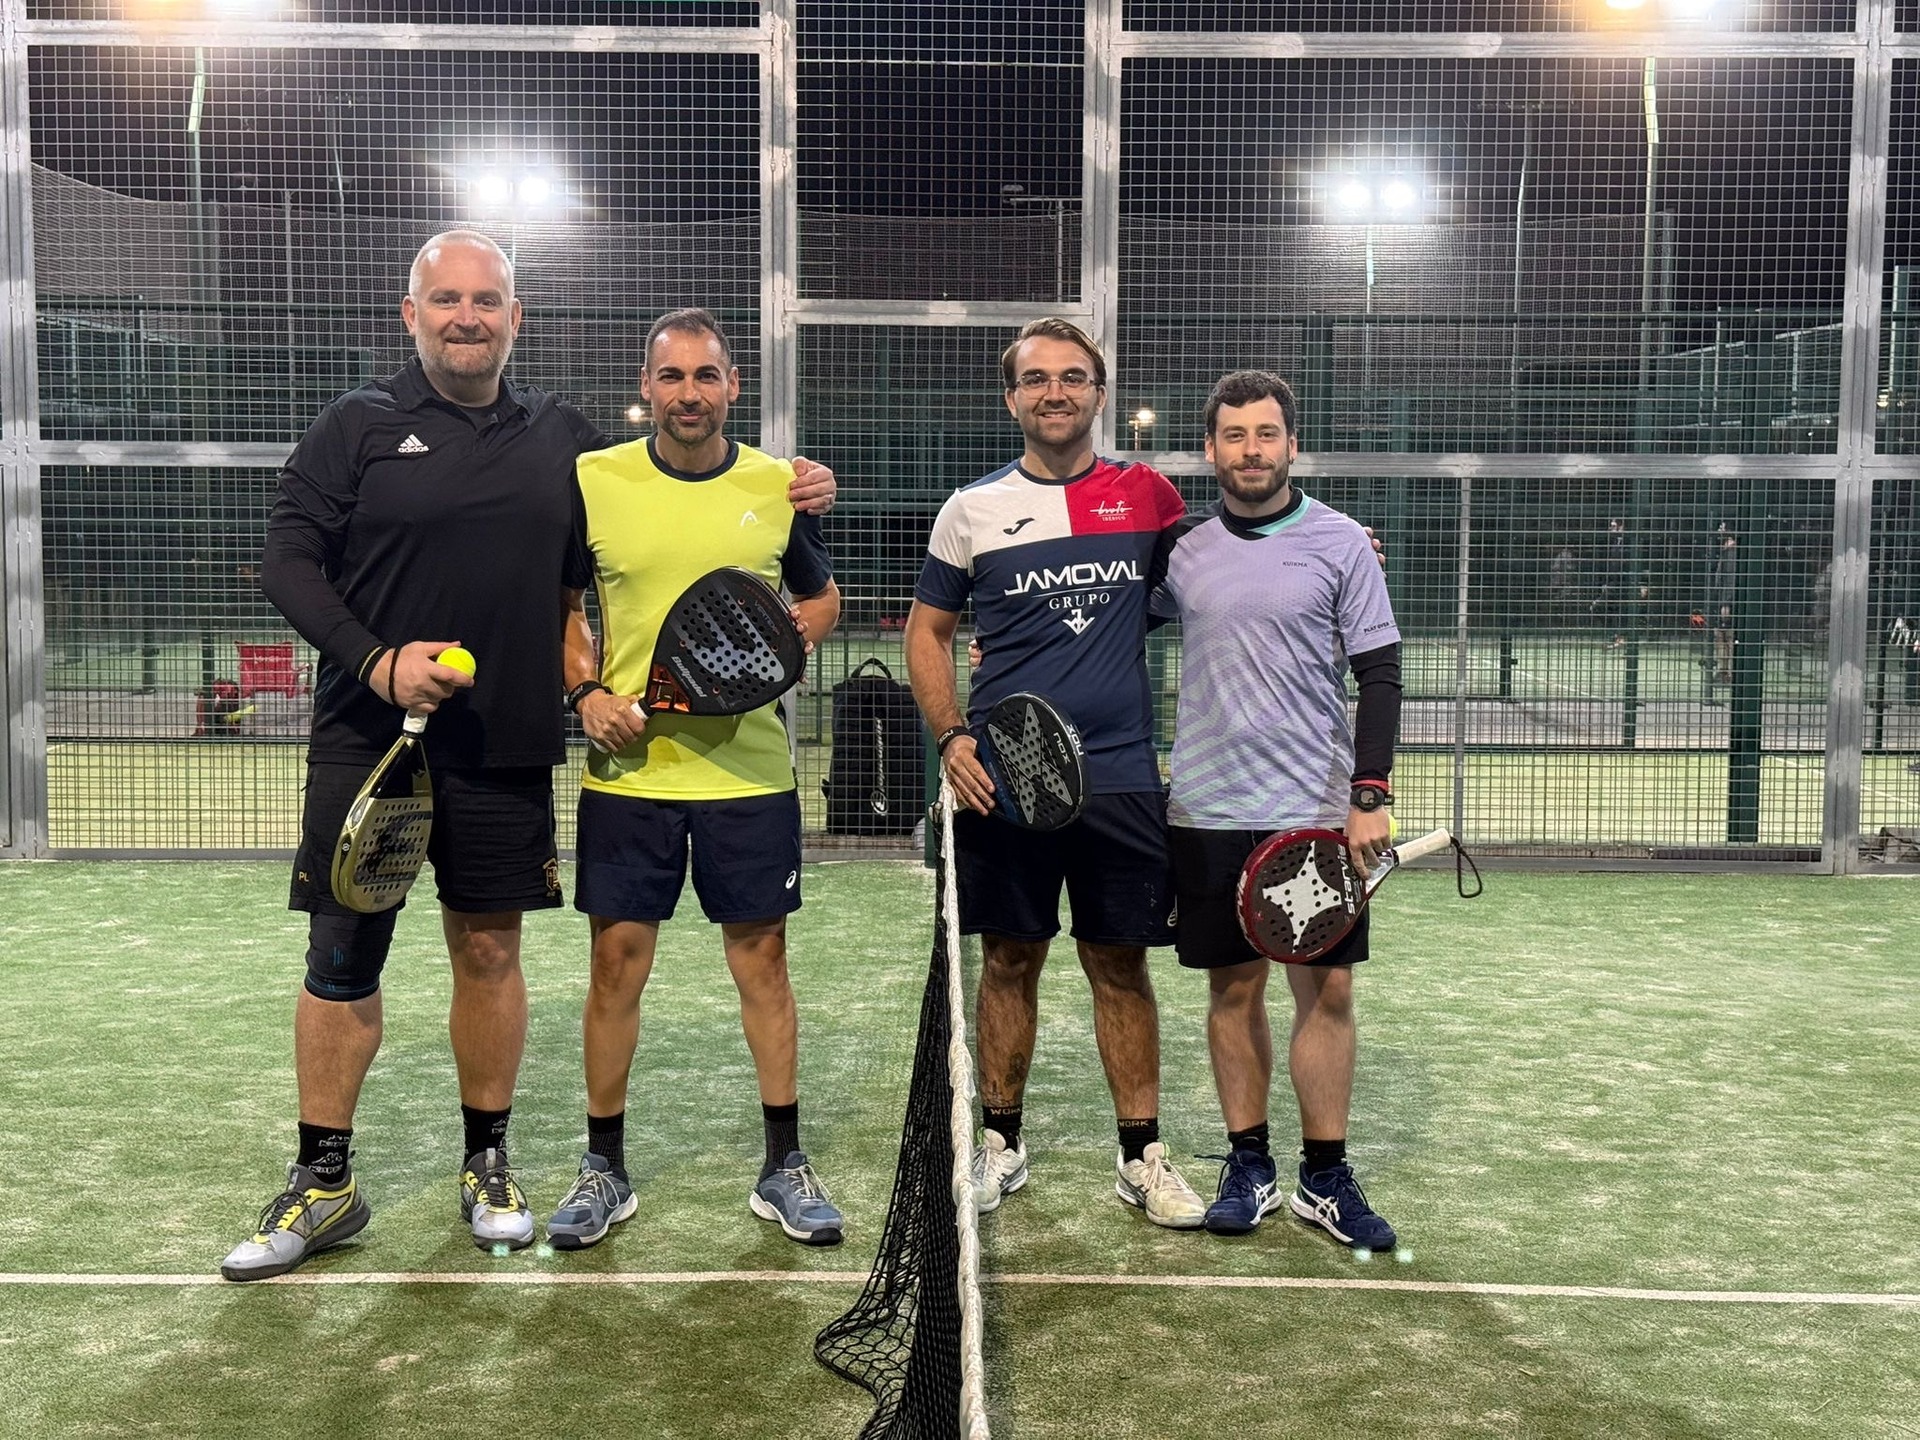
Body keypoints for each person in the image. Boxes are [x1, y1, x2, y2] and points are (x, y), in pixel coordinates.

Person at [222, 236, 834, 1282]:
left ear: (516, 318)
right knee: (342, 957)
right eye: (446, 299)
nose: (466, 316)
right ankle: (323, 1183)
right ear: (410, 312)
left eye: (486, 300)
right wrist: (379, 663)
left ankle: (488, 1166)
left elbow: (670, 484)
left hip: (503, 745)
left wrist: (797, 483)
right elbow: (285, 560)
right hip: (369, 739)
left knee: (490, 953)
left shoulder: (568, 443)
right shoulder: (355, 425)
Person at [548, 308, 846, 1250]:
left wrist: (766, 657)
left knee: (764, 963)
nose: (689, 393)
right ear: (646, 387)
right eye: (671, 376)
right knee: (614, 966)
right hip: (628, 777)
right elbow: (564, 607)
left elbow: (820, 599)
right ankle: (603, 1167)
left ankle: (784, 1165)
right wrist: (588, 692)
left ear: (732, 386)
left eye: (706, 376)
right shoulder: (595, 480)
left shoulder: (774, 485)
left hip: (750, 779)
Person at [903, 317, 1208, 1229]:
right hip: (1008, 777)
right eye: (1036, 379)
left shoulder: (1148, 496)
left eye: (1073, 377)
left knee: (1121, 963)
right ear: (1012, 399)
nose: (1055, 392)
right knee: (1009, 958)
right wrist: (953, 737)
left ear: (1099, 394)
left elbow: (1226, 568)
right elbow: (927, 633)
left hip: (1121, 777)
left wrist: (1328, 547)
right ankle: (1001, 1143)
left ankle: (1141, 1156)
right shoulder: (971, 509)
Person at [1158, 370, 1402, 1249]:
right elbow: (1101, 621)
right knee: (1232, 989)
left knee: (1328, 989)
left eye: (1266, 434)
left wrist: (1368, 794)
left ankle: (1324, 1178)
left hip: (1314, 811)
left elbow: (1380, 673)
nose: (1251, 450)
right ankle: (1248, 1164)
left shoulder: (1341, 541)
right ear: (1211, 450)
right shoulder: (1179, 552)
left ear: (1292, 445)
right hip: (1208, 808)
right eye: (1234, 435)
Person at [1711, 526, 1738, 684]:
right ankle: (1726, 671)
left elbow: (1730, 580)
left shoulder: (1731, 553)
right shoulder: (1726, 552)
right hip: (1725, 599)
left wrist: (1725, 602)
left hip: (1727, 601)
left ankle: (1727, 672)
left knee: (1726, 636)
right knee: (1723, 635)